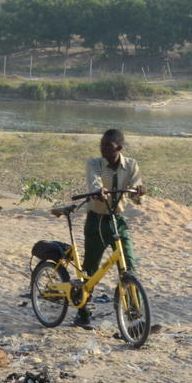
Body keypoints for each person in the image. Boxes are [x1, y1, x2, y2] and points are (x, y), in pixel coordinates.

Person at [66, 128, 146, 328]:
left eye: (107, 146)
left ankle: (134, 315)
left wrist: (139, 192)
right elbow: (94, 181)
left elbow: (137, 197)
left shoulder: (131, 165)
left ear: (119, 147)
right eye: (101, 144)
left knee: (128, 266)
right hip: (97, 221)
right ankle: (83, 312)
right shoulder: (94, 163)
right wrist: (97, 191)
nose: (103, 149)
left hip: (117, 220)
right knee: (91, 269)